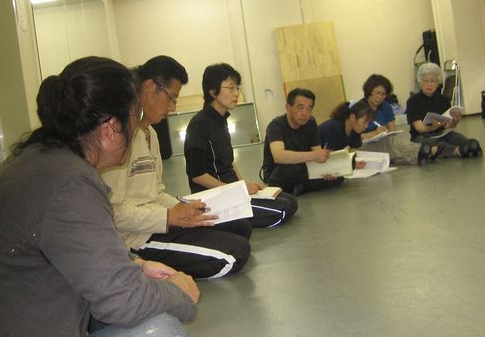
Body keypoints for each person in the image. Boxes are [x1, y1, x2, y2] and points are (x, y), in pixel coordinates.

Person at [0, 57, 198, 337]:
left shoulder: (40, 158)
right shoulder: (72, 183)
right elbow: (123, 302)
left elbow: (72, 243)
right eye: (134, 116)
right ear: (111, 128)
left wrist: (136, 264)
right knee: (161, 329)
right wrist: (177, 293)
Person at [102, 56, 251, 280]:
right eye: (171, 98)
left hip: (159, 222)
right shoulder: (119, 139)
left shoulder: (150, 134)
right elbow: (113, 213)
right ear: (149, 88)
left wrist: (188, 209)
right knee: (235, 253)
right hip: (137, 238)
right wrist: (170, 216)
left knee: (240, 227)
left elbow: (155, 193)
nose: (172, 108)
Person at [184, 63, 297, 227]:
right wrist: (237, 191)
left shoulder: (221, 120)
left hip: (232, 192)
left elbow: (228, 162)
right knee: (283, 209)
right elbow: (197, 175)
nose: (236, 93)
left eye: (237, 88)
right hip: (216, 198)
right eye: (231, 88)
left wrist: (243, 185)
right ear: (213, 91)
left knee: (290, 200)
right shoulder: (199, 124)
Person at [261, 88, 344, 196]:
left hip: (304, 167)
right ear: (288, 107)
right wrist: (314, 156)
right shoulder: (276, 126)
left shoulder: (311, 123)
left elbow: (317, 152)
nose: (305, 113)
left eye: (309, 108)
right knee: (290, 170)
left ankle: (299, 187)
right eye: (300, 107)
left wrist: (325, 169)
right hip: (278, 172)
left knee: (339, 177)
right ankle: (303, 186)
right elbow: (279, 157)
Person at [360, 73, 441, 166]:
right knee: (388, 148)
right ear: (369, 91)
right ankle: (422, 153)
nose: (380, 97)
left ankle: (420, 154)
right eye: (378, 93)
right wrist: (374, 133)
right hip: (365, 145)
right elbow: (354, 139)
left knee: (396, 144)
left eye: (383, 94)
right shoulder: (359, 109)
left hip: (384, 142)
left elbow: (393, 131)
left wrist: (385, 133)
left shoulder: (386, 107)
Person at [406, 62, 483, 158]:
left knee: (461, 139)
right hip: (421, 136)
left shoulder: (444, 100)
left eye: (433, 81)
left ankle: (466, 148)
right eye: (426, 81)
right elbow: (419, 128)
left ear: (438, 83)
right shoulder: (413, 101)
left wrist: (455, 121)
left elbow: (449, 126)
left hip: (442, 133)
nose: (429, 84)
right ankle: (458, 151)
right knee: (434, 144)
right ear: (420, 82)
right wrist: (433, 127)